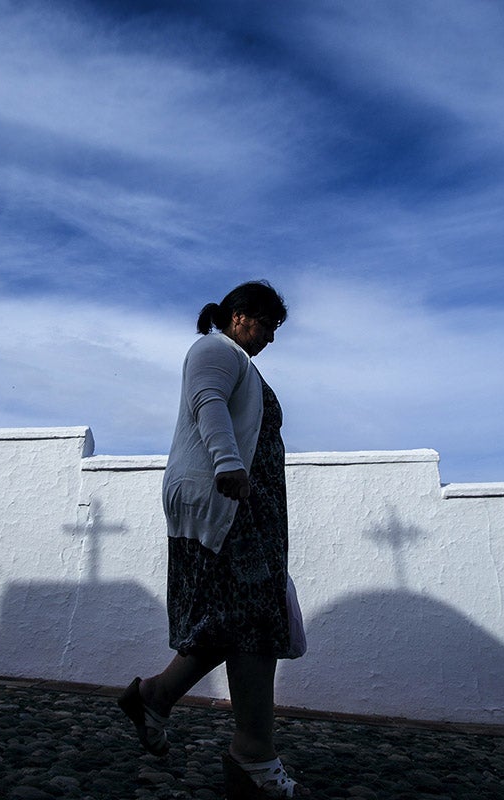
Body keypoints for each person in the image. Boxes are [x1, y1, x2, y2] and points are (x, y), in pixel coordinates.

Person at [119, 280, 308, 799]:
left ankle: (155, 697)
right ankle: (254, 757)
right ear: (240, 316)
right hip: (226, 502)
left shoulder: (239, 359)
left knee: (231, 621)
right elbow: (208, 401)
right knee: (254, 624)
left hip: (247, 508)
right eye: (267, 324)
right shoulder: (214, 349)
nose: (271, 337)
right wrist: (228, 463)